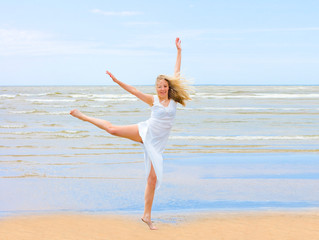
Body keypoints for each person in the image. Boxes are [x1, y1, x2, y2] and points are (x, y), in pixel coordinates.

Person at [70, 37, 191, 230]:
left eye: (165, 86)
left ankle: (146, 216)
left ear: (168, 88)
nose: (162, 89)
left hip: (158, 145)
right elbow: (133, 91)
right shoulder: (153, 100)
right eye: (159, 86)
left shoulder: (174, 101)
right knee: (112, 129)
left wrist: (178, 51)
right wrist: (117, 80)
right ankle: (84, 116)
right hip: (146, 132)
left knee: (152, 179)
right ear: (156, 88)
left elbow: (177, 72)